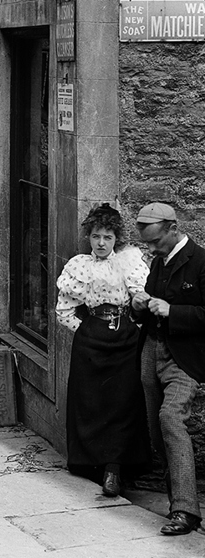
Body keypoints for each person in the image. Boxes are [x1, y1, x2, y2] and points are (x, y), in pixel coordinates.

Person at [55, 203, 150, 498]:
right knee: (91, 401)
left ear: (116, 238)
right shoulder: (80, 265)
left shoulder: (129, 262)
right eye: (96, 236)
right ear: (89, 237)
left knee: (123, 402)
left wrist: (132, 327)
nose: (100, 243)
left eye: (107, 237)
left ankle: (116, 467)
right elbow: (64, 309)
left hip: (125, 339)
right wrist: (86, 332)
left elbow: (143, 300)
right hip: (91, 338)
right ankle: (91, 464)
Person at [132, 202, 205, 536]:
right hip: (151, 351)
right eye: (146, 244)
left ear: (173, 228)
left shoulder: (201, 261)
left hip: (184, 358)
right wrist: (139, 305)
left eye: (155, 243)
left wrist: (173, 311)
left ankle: (186, 511)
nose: (150, 250)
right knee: (155, 427)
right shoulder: (159, 262)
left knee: (170, 418)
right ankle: (175, 500)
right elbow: (149, 307)